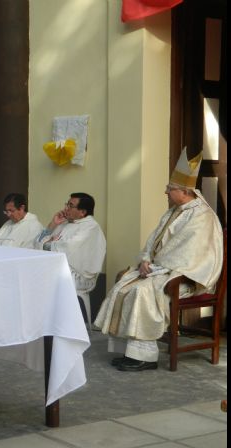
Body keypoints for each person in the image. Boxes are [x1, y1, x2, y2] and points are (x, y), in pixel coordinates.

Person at [94, 150, 223, 372]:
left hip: (188, 277)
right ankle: (130, 352)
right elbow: (153, 241)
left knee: (141, 292)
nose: (165, 191)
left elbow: (190, 253)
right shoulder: (174, 211)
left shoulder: (202, 216)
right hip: (162, 270)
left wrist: (155, 268)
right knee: (122, 283)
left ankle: (145, 358)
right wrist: (145, 260)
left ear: (184, 191)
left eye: (169, 188)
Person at [36, 192, 106, 294]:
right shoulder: (65, 223)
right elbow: (37, 242)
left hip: (77, 278)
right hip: (57, 269)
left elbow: (67, 248)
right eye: (67, 204)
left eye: (70, 206)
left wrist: (47, 243)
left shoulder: (91, 227)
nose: (66, 208)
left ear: (82, 212)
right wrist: (53, 224)